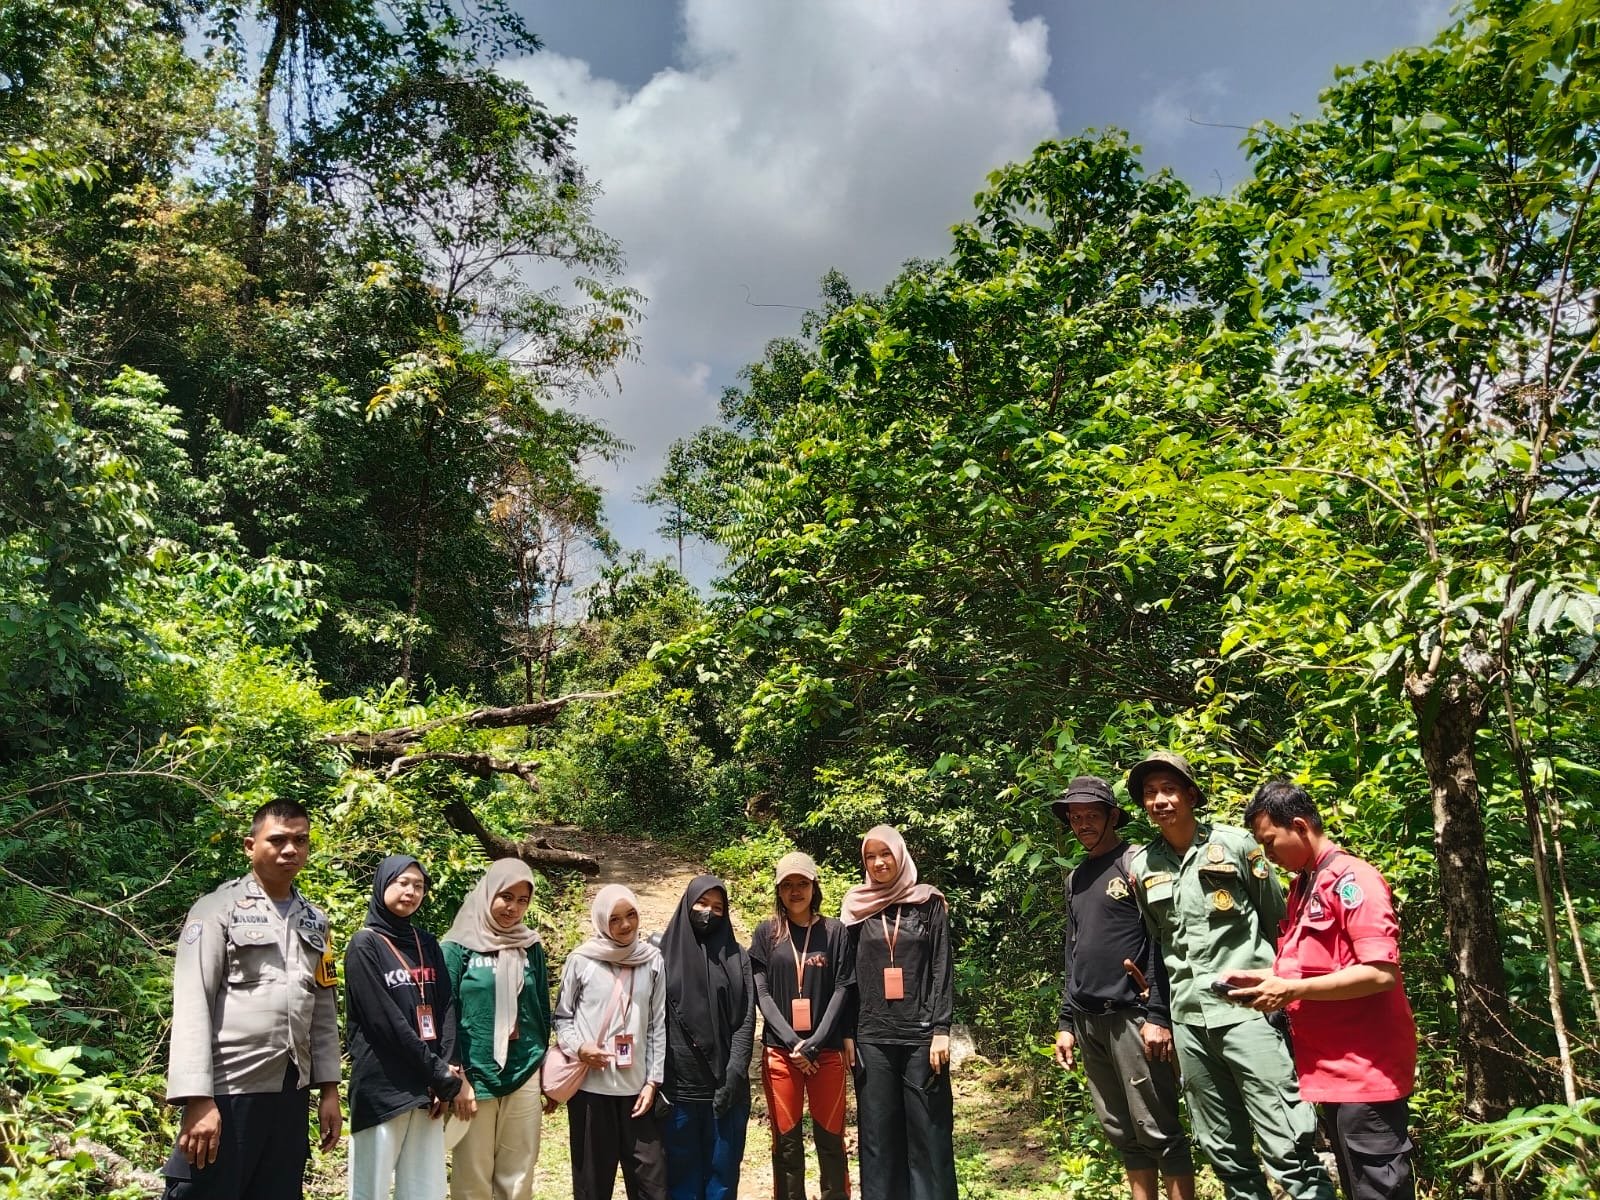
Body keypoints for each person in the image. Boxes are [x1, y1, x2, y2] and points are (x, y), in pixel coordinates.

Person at [1126, 752, 1334, 1200]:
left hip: (1249, 1017)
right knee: (1224, 1152)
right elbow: (1160, 944)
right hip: (1190, 1024)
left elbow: (1279, 923)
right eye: (1150, 793)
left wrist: (1284, 998)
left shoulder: (1237, 845)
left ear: (1190, 795)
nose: (1160, 800)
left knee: (1288, 1145)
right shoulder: (1142, 866)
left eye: (1169, 790)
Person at [1224, 780, 1418, 1200]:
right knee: (1357, 1188)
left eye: (1270, 842)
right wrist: (1265, 981)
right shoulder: (1304, 886)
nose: (1268, 855)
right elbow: (1312, 967)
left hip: (1366, 1071)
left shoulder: (1353, 880)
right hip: (1332, 1072)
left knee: (1380, 1189)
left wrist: (1291, 988)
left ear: (1299, 826)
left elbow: (1380, 972)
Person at [161, 799, 342, 1200]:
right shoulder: (216, 910)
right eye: (277, 840)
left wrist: (329, 1090)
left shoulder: (315, 921)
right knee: (208, 1191)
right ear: (250, 846)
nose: (290, 849)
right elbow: (193, 1002)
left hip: (290, 1090)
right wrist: (198, 1099)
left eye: (300, 840)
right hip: (229, 1087)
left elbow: (322, 1010)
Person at [1051, 776, 1195, 1200]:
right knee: (1120, 1128)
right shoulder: (1076, 878)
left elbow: (1161, 940)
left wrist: (1158, 1015)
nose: (1083, 824)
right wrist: (1066, 1022)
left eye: (1091, 815)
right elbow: (1072, 950)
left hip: (1133, 1015)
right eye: (1075, 817)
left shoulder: (1136, 863)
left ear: (1112, 816)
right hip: (1088, 1018)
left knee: (1158, 1126)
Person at [345, 854, 473, 1200]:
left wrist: (449, 1067)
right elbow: (384, 1022)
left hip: (428, 1088)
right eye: (402, 882)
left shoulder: (426, 943)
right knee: (370, 1189)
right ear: (382, 885)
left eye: (418, 885)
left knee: (424, 1190)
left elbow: (446, 1005)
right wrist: (438, 1072)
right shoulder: (364, 944)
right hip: (383, 1088)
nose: (411, 891)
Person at [841, 824, 957, 1200]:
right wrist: (847, 1032)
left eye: (885, 854)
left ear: (900, 855)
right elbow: (846, 976)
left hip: (921, 1037)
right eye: (870, 856)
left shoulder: (929, 903)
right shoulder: (856, 908)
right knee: (878, 1137)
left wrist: (941, 1029)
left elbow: (941, 967)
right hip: (871, 1037)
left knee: (928, 1133)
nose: (878, 863)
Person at [442, 859, 552, 1200]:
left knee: (518, 1173)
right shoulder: (457, 946)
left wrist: (541, 1063)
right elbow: (446, 1013)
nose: (513, 908)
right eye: (506, 896)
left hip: (524, 1070)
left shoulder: (529, 945)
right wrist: (457, 1076)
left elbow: (541, 1008)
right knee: (472, 1174)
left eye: (522, 900)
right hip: (475, 1075)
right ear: (488, 893)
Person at [749, 852, 854, 1200]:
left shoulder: (834, 932)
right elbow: (761, 992)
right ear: (778, 890)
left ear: (814, 886)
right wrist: (795, 1042)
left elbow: (842, 988)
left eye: (803, 884)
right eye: (788, 885)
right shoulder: (767, 933)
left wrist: (816, 1042)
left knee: (831, 1139)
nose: (796, 891)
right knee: (787, 1142)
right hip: (781, 1053)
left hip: (826, 1052)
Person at [553, 884, 669, 1200]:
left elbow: (657, 1024)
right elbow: (562, 1018)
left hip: (638, 1094)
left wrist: (652, 1082)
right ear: (602, 921)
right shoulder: (581, 960)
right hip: (591, 1093)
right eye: (614, 919)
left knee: (652, 1187)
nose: (625, 925)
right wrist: (580, 1048)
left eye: (631, 915)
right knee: (592, 1187)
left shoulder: (652, 960)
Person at [658, 876, 756, 1200]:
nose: (708, 912)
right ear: (687, 904)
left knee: (722, 1181)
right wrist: (656, 1080)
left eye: (717, 907)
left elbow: (745, 1019)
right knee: (681, 1182)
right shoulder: (660, 956)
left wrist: (734, 1073)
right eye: (701, 903)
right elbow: (651, 1023)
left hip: (725, 1090)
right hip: (677, 1091)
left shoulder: (737, 957)